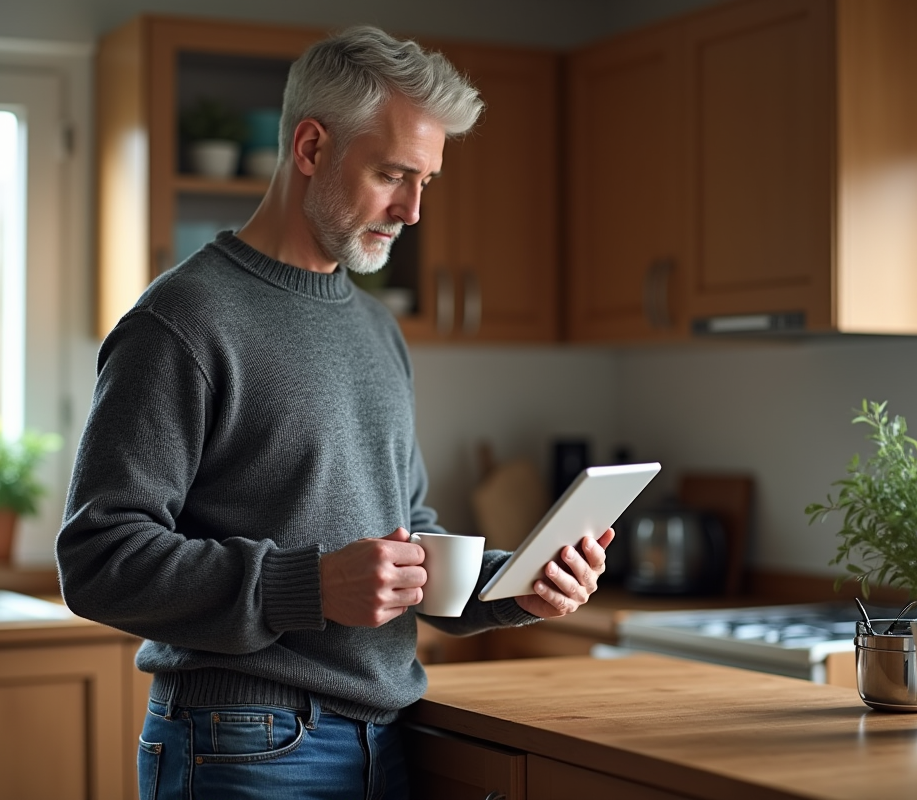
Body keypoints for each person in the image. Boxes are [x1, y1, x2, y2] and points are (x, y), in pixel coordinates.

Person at [56, 24, 613, 800]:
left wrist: (514, 586)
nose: (413, 210)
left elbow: (406, 540)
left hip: (386, 740)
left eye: (426, 181)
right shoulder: (182, 320)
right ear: (312, 147)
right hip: (243, 744)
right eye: (393, 174)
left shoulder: (377, 328)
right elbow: (97, 558)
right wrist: (309, 586)